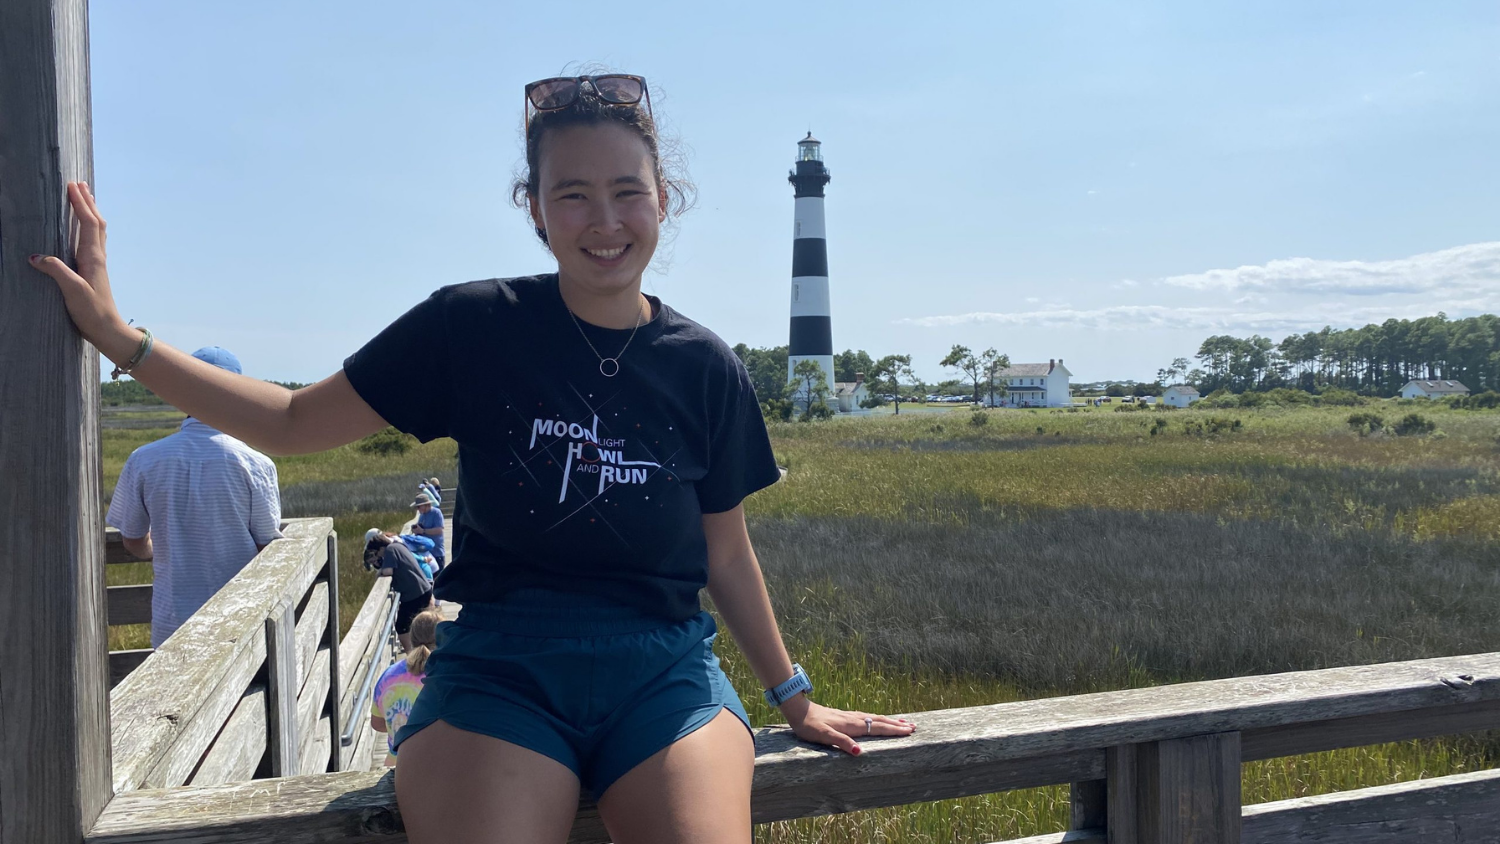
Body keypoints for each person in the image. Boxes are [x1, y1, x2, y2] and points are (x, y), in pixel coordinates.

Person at [31, 71, 914, 844]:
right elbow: (296, 422)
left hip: (664, 675)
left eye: (626, 191)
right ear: (532, 207)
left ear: (664, 199)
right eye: (571, 194)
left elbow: (726, 550)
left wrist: (794, 697)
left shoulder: (705, 366)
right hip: (500, 672)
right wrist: (121, 340)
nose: (602, 221)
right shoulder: (472, 325)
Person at [106, 346, 282, 648]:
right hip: (238, 625)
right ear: (236, 394)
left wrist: (157, 550)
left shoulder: (144, 459)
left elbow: (132, 541)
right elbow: (268, 546)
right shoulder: (256, 464)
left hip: (171, 622)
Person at [372, 606, 443, 767]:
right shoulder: (445, 676)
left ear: (411, 638)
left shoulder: (388, 675)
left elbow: (377, 723)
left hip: (395, 765)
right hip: (434, 768)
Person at [364, 529, 434, 650]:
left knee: (402, 626)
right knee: (420, 625)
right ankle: (421, 653)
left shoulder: (390, 550)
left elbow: (387, 571)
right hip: (422, 590)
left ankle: (412, 655)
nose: (378, 556)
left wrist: (379, 572)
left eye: (376, 553)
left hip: (415, 594)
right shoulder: (398, 545)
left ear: (381, 548)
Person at [409, 492, 446, 572]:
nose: (418, 509)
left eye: (419, 507)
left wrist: (423, 531)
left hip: (437, 553)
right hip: (426, 554)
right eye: (417, 507)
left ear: (426, 505)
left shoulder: (436, 513)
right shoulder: (422, 515)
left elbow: (440, 530)